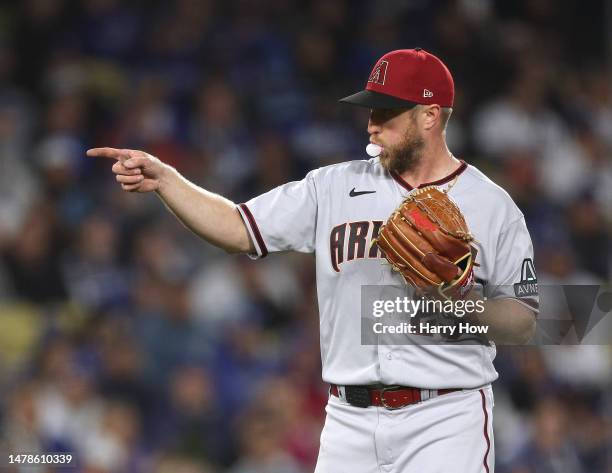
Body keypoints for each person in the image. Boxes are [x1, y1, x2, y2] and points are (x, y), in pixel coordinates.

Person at [89, 48, 538, 472]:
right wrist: (168, 181)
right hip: (349, 418)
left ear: (430, 115)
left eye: (386, 113)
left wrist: (449, 299)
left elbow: (524, 321)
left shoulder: (490, 205)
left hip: (446, 416)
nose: (371, 126)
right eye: (370, 111)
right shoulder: (332, 186)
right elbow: (237, 227)